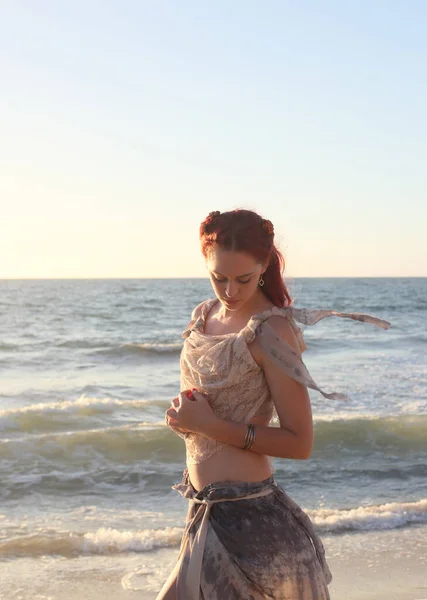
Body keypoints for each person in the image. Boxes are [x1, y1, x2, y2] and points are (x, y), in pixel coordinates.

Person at [156, 209, 390, 600]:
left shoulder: (270, 332)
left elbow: (300, 442)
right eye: (219, 278)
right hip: (205, 514)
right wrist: (186, 418)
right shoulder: (204, 315)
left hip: (251, 525)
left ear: (265, 264)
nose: (230, 290)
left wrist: (210, 426)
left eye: (243, 278)